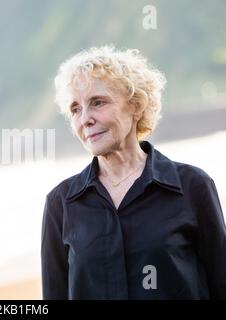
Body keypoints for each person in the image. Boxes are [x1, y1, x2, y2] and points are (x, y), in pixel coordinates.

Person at [41, 45, 226, 299]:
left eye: (98, 102)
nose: (85, 118)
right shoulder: (60, 204)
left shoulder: (193, 186)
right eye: (75, 109)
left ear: (136, 106)